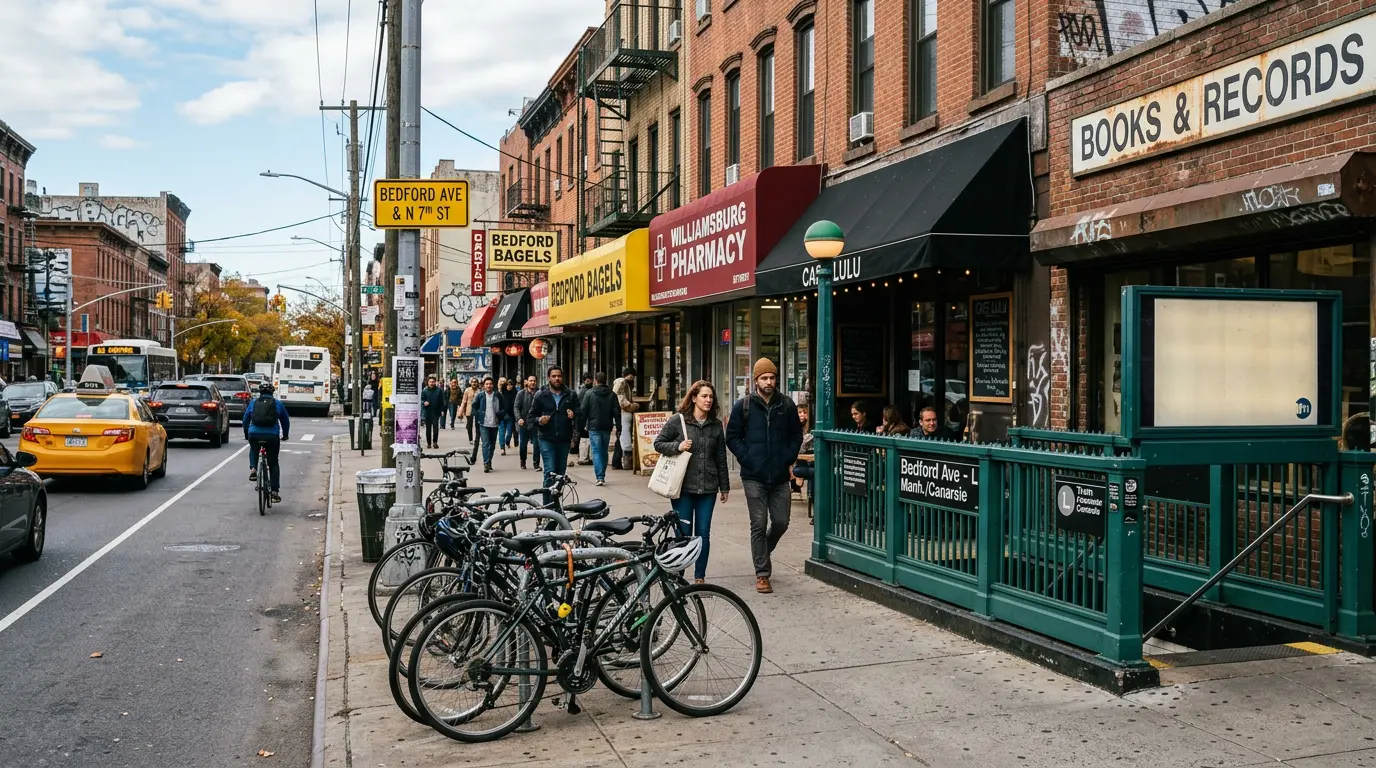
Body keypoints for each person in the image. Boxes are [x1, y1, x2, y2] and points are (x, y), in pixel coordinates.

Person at [726, 358, 804, 594]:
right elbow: (732, 437)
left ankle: (762, 551)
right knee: (758, 524)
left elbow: (796, 435)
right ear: (756, 380)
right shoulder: (744, 406)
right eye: (764, 378)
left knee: (781, 522)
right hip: (753, 476)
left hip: (779, 476)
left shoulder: (787, 405)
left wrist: (788, 457)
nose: (769, 382)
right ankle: (762, 573)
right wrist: (747, 458)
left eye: (772, 377)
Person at [654, 381, 729, 584]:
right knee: (684, 535)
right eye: (704, 396)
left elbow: (721, 456)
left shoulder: (715, 425)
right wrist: (678, 446)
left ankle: (699, 577)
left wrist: (724, 486)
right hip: (683, 488)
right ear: (694, 398)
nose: (708, 400)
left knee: (703, 534)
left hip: (708, 487)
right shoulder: (678, 421)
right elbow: (658, 443)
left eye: (711, 397)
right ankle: (679, 577)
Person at [527, 366, 579, 488]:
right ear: (549, 378)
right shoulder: (541, 395)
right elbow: (530, 417)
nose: (557, 379)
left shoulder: (570, 394)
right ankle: (547, 504)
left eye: (559, 376)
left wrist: (574, 414)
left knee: (560, 474)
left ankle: (556, 504)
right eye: (554, 376)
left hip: (564, 438)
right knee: (550, 471)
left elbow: (580, 412)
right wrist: (539, 420)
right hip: (546, 438)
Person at [245, 381, 290, 504]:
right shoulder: (277, 404)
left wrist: (246, 434)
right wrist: (285, 435)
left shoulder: (253, 403)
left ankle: (253, 469)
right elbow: (285, 421)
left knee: (253, 449)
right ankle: (275, 492)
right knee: (273, 463)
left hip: (254, 434)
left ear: (260, 392)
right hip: (272, 436)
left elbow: (245, 420)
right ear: (272, 392)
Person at [580, 371, 620, 486]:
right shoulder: (612, 395)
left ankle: (600, 476)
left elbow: (584, 410)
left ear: (595, 381)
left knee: (596, 451)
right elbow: (616, 412)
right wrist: (619, 427)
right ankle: (602, 474)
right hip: (607, 426)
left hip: (594, 426)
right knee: (604, 450)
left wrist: (581, 425)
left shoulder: (589, 393)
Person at [470, 377, 506, 472]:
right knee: (486, 444)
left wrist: (501, 414)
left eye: (490, 384)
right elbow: (474, 406)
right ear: (484, 385)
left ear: (493, 385)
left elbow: (504, 407)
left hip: (494, 423)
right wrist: (477, 414)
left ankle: (489, 461)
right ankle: (486, 463)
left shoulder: (498, 395)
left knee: (492, 444)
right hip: (483, 423)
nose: (488, 385)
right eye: (487, 384)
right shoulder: (480, 396)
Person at [514, 375, 542, 471]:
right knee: (522, 445)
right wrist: (519, 418)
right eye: (530, 381)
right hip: (524, 423)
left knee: (537, 444)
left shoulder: (540, 393)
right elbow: (516, 407)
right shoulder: (521, 393)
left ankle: (536, 463)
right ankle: (523, 460)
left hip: (536, 423)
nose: (532, 383)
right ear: (527, 382)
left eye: (534, 381)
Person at [612, 367, 638, 470]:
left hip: (622, 413)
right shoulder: (622, 382)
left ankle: (617, 461)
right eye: (632, 375)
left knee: (621, 438)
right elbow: (620, 399)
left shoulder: (625, 383)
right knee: (625, 437)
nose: (633, 378)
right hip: (624, 413)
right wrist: (633, 406)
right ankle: (626, 462)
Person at [420, 375, 446, 449]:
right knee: (428, 428)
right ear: (427, 382)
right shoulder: (425, 390)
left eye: (433, 382)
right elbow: (422, 400)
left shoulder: (439, 390)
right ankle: (429, 443)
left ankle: (435, 442)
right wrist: (424, 402)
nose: (431, 383)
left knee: (435, 428)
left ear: (435, 382)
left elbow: (442, 401)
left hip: (436, 411)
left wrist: (442, 410)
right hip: (428, 411)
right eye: (430, 382)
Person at [498, 378, 518, 454]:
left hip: (510, 416)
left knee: (509, 432)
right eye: (508, 385)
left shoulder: (515, 394)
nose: (509, 386)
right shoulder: (501, 394)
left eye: (511, 385)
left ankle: (507, 441)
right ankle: (502, 448)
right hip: (502, 416)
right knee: (501, 432)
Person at [461, 377, 478, 443]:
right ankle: (470, 439)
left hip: (477, 410)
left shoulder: (480, 390)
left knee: (478, 425)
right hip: (469, 410)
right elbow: (464, 401)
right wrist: (461, 410)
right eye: (473, 382)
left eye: (475, 382)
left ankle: (477, 438)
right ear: (470, 383)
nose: (474, 383)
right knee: (469, 425)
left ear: (477, 383)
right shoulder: (467, 390)